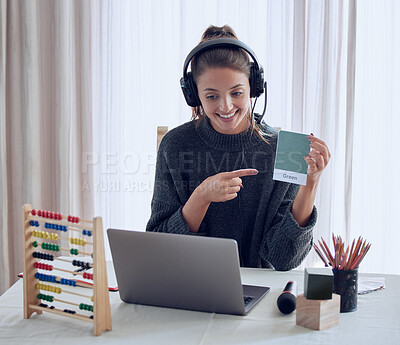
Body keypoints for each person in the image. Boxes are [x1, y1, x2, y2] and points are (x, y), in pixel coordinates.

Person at [146, 25, 330, 270]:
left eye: (237, 93)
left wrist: (311, 183)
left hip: (260, 296)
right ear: (193, 95)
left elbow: (284, 259)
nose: (226, 106)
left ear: (254, 88)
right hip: (193, 289)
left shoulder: (283, 149)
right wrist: (201, 198)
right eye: (212, 96)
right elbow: (159, 250)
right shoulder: (175, 145)